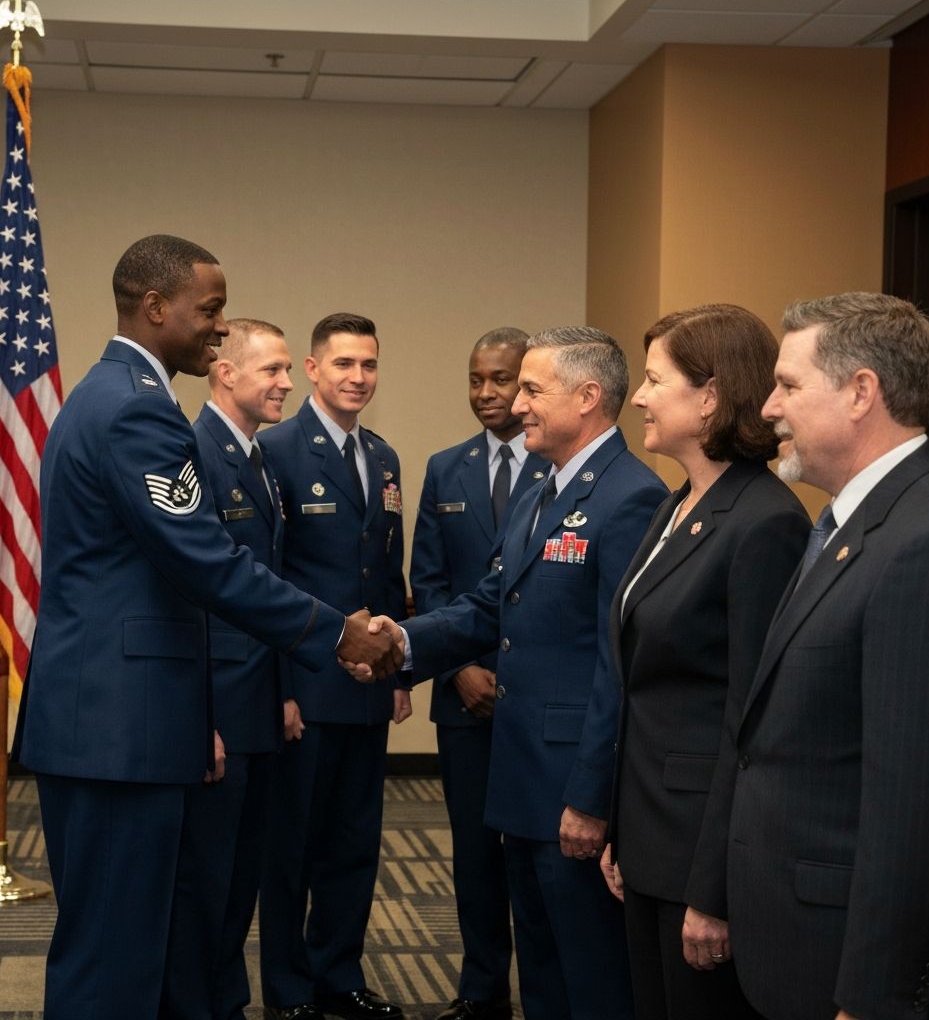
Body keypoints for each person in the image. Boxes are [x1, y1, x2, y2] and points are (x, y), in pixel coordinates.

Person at [13, 235, 398, 1020]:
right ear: (156, 309)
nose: (219, 330)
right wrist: (337, 632)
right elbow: (210, 561)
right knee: (112, 961)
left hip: (115, 722)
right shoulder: (135, 411)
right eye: (210, 311)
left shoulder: (110, 395)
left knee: (131, 946)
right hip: (118, 728)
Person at [366, 326, 668, 1020]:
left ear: (588, 397)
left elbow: (619, 667)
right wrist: (401, 644)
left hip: (571, 790)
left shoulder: (631, 498)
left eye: (533, 389)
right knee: (540, 970)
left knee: (590, 974)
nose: (516, 404)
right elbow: (485, 608)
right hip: (521, 775)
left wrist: (591, 799)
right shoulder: (540, 494)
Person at [727, 292, 929, 1020]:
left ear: (862, 392)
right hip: (794, 933)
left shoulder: (926, 542)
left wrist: (874, 994)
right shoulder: (846, 520)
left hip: (843, 967)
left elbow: (915, 801)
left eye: (789, 385)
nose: (768, 408)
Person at [598, 304, 810, 1020]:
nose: (639, 396)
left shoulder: (765, 520)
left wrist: (713, 891)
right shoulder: (680, 501)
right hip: (651, 837)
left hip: (701, 860)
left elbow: (750, 722)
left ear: (711, 395)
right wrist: (622, 830)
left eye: (655, 379)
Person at [257, 312, 411, 1020]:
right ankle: (288, 990)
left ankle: (337, 977)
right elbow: (268, 579)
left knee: (355, 842)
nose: (358, 377)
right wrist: (282, 687)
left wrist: (398, 669)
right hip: (306, 687)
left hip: (368, 688)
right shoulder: (277, 450)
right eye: (344, 364)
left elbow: (386, 575)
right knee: (292, 848)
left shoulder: (383, 458)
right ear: (313, 370)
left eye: (369, 365)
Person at [410, 327, 549, 1020]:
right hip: (464, 696)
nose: (486, 393)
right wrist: (460, 667)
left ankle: (549, 988)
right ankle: (481, 988)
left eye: (501, 380)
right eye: (476, 380)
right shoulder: (446, 467)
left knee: (537, 852)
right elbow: (429, 583)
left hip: (535, 699)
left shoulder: (559, 467)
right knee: (472, 851)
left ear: (527, 385)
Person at [163, 318, 297, 1020]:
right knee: (203, 884)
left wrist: (283, 694)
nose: (285, 383)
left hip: (257, 708)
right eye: (272, 370)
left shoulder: (256, 457)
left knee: (239, 880)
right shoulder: (195, 453)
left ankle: (224, 1001)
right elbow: (194, 596)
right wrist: (203, 718)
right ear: (226, 374)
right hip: (216, 713)